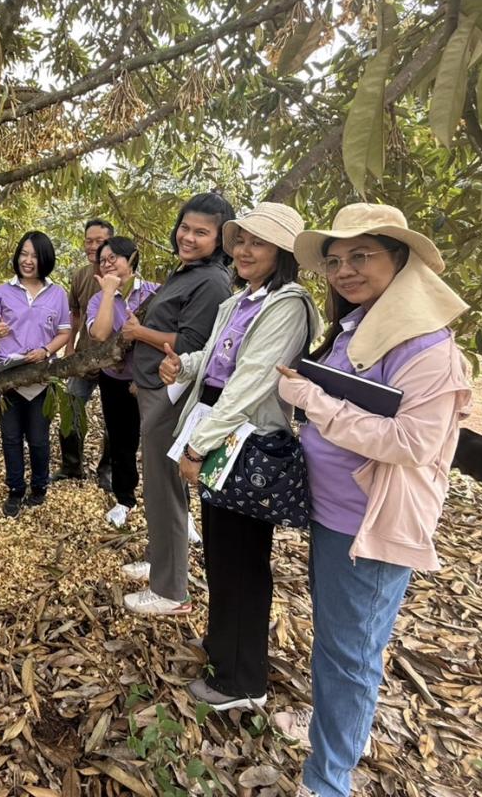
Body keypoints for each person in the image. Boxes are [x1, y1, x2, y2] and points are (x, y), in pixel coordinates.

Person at [274, 204, 472, 797]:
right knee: (338, 642)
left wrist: (314, 402)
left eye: (362, 256)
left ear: (401, 260)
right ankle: (334, 734)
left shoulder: (429, 351)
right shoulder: (359, 327)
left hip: (370, 526)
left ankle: (328, 780)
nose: (344, 270)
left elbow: (412, 443)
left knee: (350, 653)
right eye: (335, 260)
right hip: (334, 515)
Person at [157, 203, 319, 710]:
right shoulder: (242, 300)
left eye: (260, 243)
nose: (245, 250)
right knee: (225, 555)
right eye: (242, 239)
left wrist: (198, 446)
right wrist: (183, 367)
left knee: (244, 561)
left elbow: (250, 382)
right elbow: (216, 360)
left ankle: (242, 681)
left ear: (284, 253)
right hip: (221, 429)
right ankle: (223, 646)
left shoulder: (287, 304)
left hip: (243, 440)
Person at [122, 192, 234, 616]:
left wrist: (139, 334)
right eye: (185, 227)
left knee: (165, 488)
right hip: (155, 388)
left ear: (220, 239)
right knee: (156, 483)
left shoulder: (211, 281)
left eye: (202, 232)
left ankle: (171, 590)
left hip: (172, 396)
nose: (189, 237)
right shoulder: (188, 271)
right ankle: (158, 559)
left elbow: (190, 346)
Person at [0, 231, 72, 517]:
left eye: (34, 255)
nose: (28, 260)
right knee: (10, 436)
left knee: (38, 437)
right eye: (24, 253)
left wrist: (46, 351)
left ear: (45, 258)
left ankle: (39, 485)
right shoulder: (2, 291)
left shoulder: (57, 294)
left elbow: (65, 332)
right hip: (7, 374)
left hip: (41, 376)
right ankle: (15, 489)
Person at [86, 235, 160, 527]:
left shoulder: (154, 292)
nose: (107, 264)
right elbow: (101, 334)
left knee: (161, 440)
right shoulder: (97, 299)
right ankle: (125, 499)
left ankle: (179, 506)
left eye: (113, 258)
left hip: (152, 379)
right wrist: (108, 293)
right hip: (115, 380)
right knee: (121, 440)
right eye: (102, 261)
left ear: (131, 259)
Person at [60, 218, 116, 485]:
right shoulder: (81, 275)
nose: (93, 246)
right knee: (71, 407)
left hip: (115, 361)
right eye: (89, 240)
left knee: (113, 418)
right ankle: (71, 466)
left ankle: (108, 471)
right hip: (83, 356)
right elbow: (75, 313)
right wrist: (70, 346)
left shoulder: (122, 275)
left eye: (99, 240)